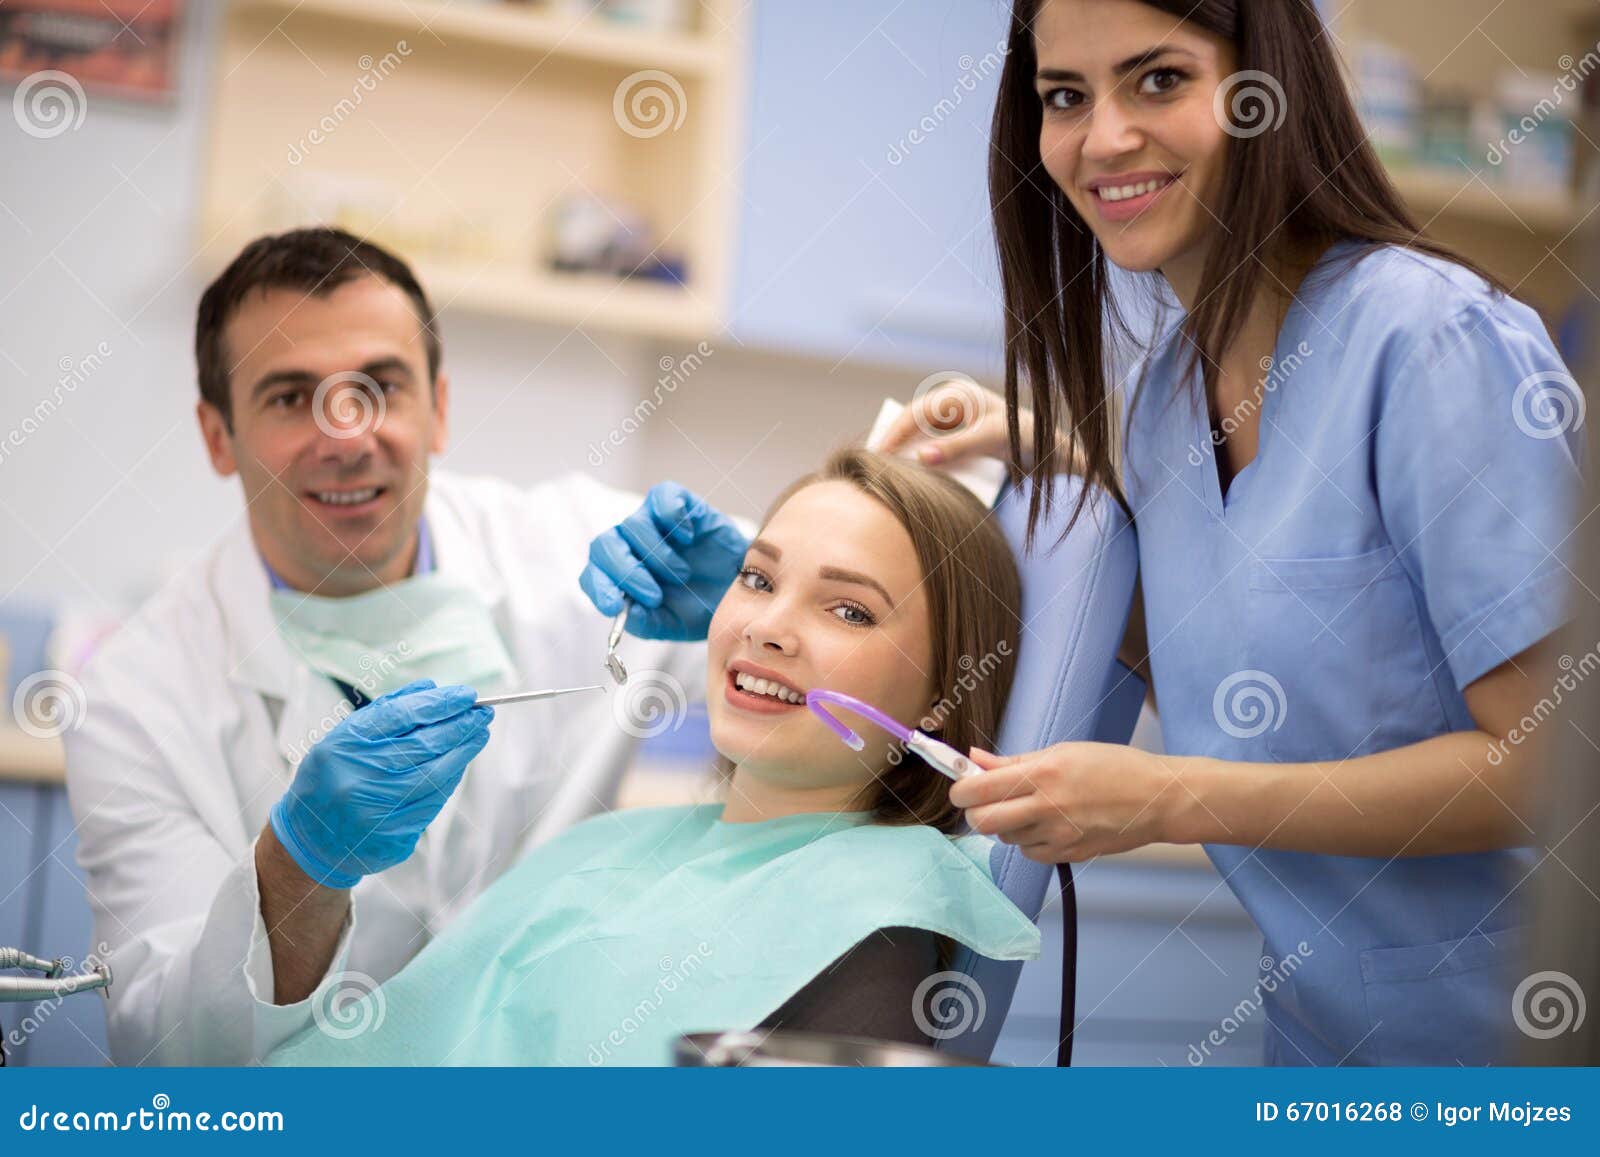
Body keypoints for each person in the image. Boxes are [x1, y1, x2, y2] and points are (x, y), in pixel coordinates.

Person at [586, 0, 1585, 1066]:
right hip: (1324, 1049)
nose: (1101, 138)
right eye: (1064, 96)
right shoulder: (1162, 404)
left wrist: (1164, 796)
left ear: (1267, 87)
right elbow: (1228, 653)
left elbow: (1553, 763)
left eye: (1157, 79)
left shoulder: (1431, 342)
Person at [63, 228, 706, 1065]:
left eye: (379, 386)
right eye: (291, 397)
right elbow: (167, 1050)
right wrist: (297, 874)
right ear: (218, 436)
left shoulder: (579, 555)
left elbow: (880, 622)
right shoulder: (134, 695)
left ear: (437, 408)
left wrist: (749, 587)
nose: (346, 435)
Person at [266, 449, 1040, 1066]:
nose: (765, 625)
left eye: (849, 608)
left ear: (944, 693)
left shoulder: (877, 920)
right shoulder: (606, 845)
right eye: (757, 577)